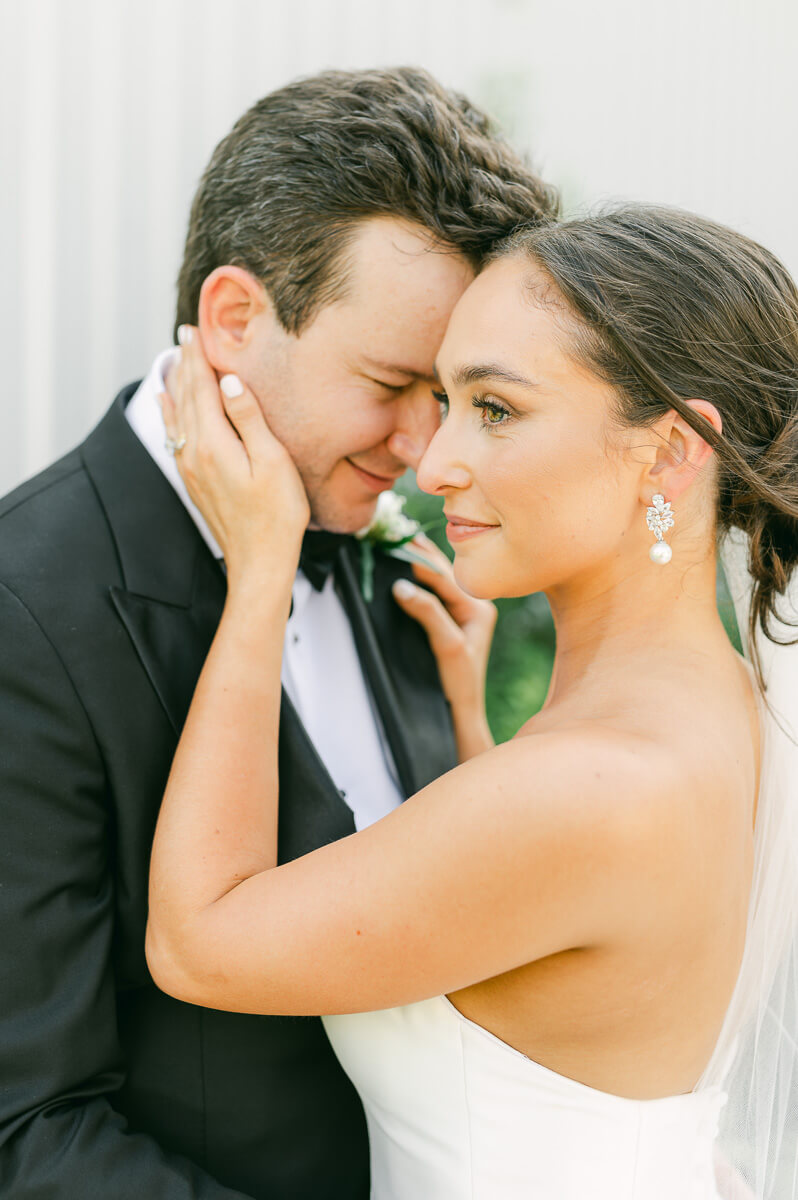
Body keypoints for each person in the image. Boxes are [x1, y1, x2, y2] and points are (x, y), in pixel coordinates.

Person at [147, 203, 798, 1199]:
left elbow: (200, 945)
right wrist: (477, 738)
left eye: (495, 410)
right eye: (439, 400)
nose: (434, 460)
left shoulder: (597, 789)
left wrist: (260, 574)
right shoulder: (732, 715)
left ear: (668, 453)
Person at [0, 68, 558, 1199]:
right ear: (236, 319)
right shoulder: (23, 614)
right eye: (395, 383)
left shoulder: (393, 550)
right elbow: (31, 1130)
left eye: (453, 397)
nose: (427, 449)